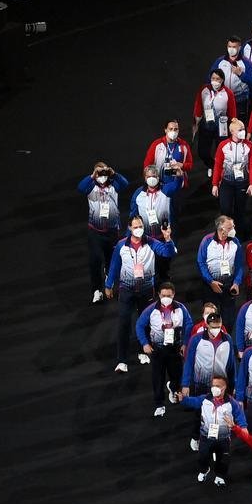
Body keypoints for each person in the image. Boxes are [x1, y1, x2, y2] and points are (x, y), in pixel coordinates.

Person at [105, 214, 176, 373]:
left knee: (144, 323)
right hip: (126, 289)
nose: (139, 229)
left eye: (141, 227)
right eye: (136, 227)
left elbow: (168, 253)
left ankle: (141, 351)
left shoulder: (151, 242)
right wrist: (108, 284)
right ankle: (122, 360)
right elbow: (115, 266)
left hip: (146, 289)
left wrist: (168, 238)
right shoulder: (121, 246)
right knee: (124, 323)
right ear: (129, 228)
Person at [135, 281, 190, 416]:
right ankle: (159, 404)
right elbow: (139, 325)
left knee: (177, 375)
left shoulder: (181, 308)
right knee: (157, 378)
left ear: (174, 295)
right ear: (159, 294)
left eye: (169, 295)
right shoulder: (151, 309)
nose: (166, 297)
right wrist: (145, 343)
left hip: (174, 348)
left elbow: (189, 324)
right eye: (164, 295)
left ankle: (172, 387)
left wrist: (184, 343)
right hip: (157, 349)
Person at [179, 374, 246, 485]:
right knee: (202, 456)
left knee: (223, 459)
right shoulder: (205, 399)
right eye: (213, 385)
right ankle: (204, 469)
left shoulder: (231, 403)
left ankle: (220, 476)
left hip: (223, 438)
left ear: (224, 387)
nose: (215, 388)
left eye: (218, 386)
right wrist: (183, 399)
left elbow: (240, 414)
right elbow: (193, 402)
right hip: (206, 436)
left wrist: (243, 427)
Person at [80, 162, 130, 304]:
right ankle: (96, 290)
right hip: (95, 231)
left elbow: (125, 184)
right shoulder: (91, 186)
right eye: (99, 173)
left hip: (112, 231)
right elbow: (80, 187)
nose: (102, 176)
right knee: (95, 260)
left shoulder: (114, 185)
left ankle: (110, 280)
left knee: (111, 259)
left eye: (104, 173)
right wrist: (92, 175)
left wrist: (114, 174)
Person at [197, 215, 245, 324]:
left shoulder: (235, 242)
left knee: (228, 319)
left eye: (233, 226)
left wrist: (236, 283)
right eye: (230, 228)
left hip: (229, 286)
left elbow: (239, 265)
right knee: (211, 318)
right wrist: (210, 281)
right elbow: (201, 263)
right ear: (221, 229)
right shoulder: (207, 241)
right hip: (210, 286)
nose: (233, 230)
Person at [193, 69, 237, 177]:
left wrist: (233, 126)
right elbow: (198, 106)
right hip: (206, 125)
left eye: (218, 79)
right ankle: (212, 165)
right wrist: (196, 123)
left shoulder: (228, 93)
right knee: (202, 152)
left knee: (221, 152)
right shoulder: (204, 90)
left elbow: (232, 112)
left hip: (222, 127)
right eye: (213, 78)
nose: (215, 81)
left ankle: (218, 171)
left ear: (222, 80)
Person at [142, 120, 193, 204]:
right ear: (165, 130)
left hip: (177, 184)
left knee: (175, 210)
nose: (173, 131)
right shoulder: (157, 144)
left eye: (176, 129)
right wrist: (148, 180)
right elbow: (147, 164)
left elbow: (190, 165)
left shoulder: (184, 145)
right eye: (171, 129)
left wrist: (182, 165)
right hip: (160, 185)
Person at [209, 35, 252, 117]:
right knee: (222, 122)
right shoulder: (220, 61)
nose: (231, 49)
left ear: (239, 47)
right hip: (223, 97)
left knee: (238, 124)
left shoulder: (247, 63)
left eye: (234, 47)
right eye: (229, 46)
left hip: (240, 98)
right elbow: (210, 78)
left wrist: (241, 74)